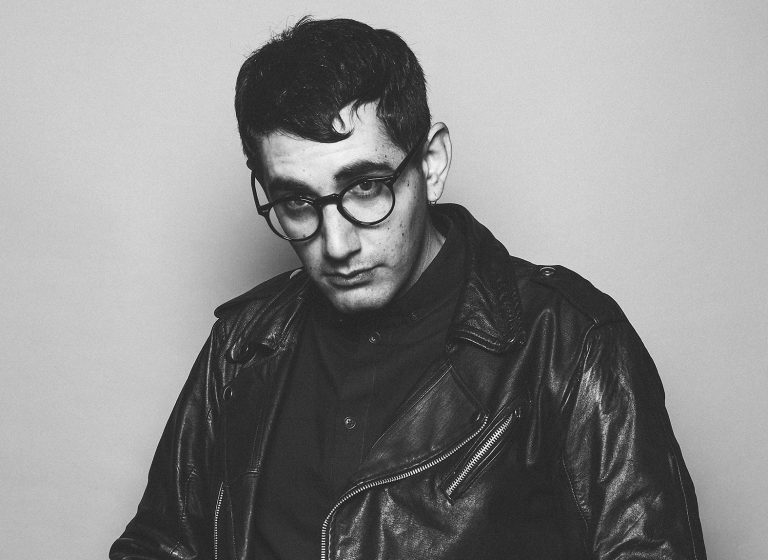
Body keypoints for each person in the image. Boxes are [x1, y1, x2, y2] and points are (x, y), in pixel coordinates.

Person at [111, 17, 707, 560]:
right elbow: (159, 546)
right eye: (296, 202)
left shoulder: (569, 343)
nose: (337, 244)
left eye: (367, 187)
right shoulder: (242, 347)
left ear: (432, 162)